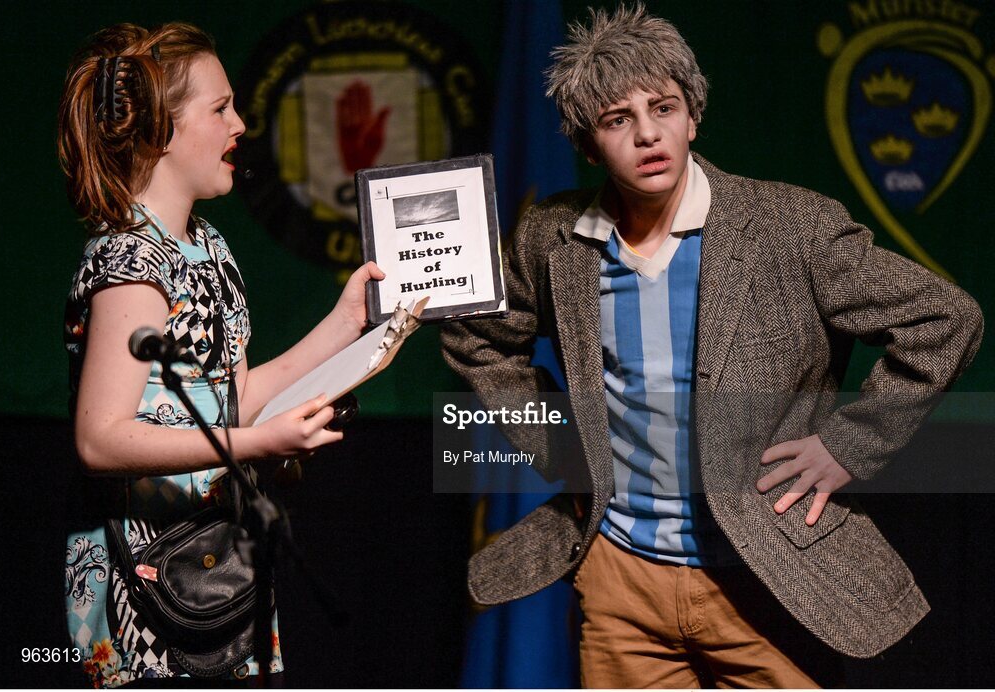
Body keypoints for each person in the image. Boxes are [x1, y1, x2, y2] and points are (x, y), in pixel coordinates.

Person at [441, 3, 983, 687]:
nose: (647, 134)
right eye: (617, 120)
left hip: (767, 580)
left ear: (692, 116)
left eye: (663, 108)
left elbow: (945, 319)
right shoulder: (553, 239)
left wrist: (849, 444)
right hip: (622, 583)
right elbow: (477, 340)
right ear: (587, 145)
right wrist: (561, 445)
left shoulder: (791, 226)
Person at [58, 22, 383, 687]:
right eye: (220, 108)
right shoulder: (131, 263)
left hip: (218, 573)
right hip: (145, 594)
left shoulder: (209, 248)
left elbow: (233, 399)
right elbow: (100, 438)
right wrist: (252, 444)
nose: (241, 123)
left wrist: (346, 324)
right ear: (161, 131)